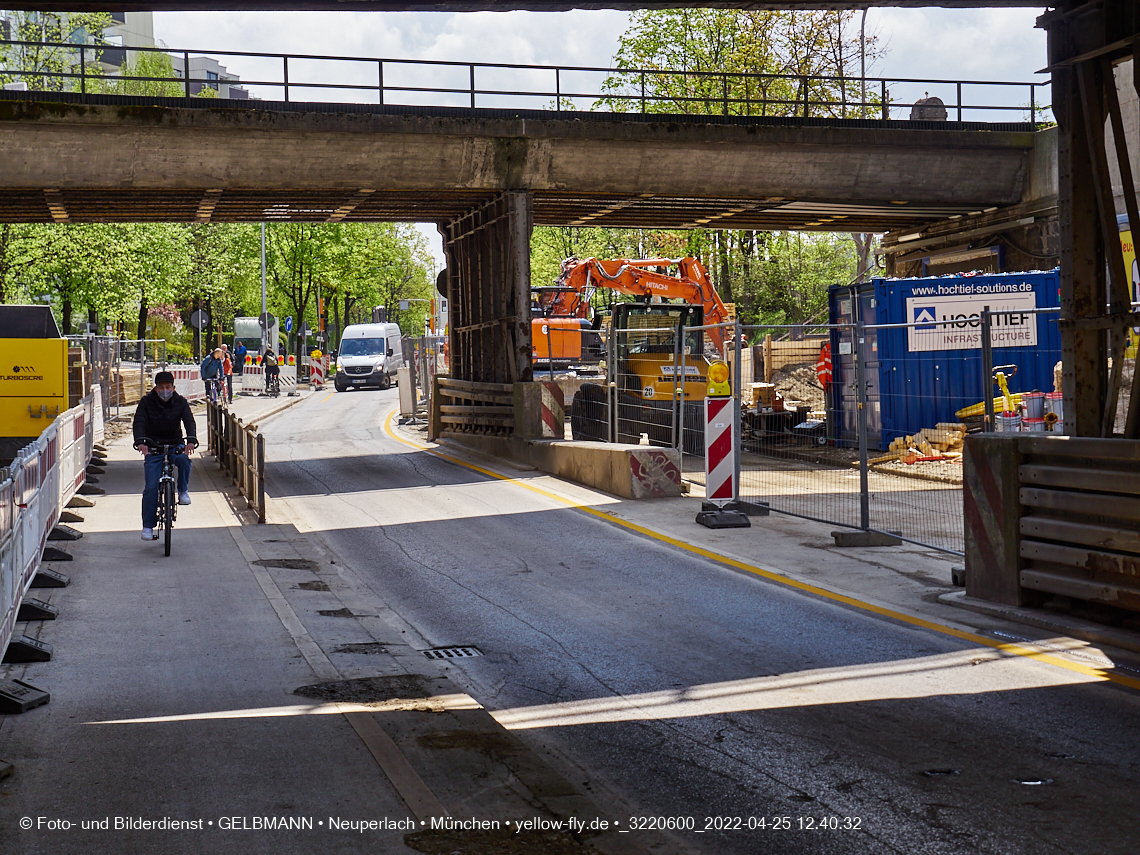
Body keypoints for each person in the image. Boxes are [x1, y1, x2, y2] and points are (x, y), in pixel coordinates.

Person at [132, 371, 198, 542]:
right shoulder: (146, 403)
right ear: (155, 389)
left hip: (175, 443)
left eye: (168, 387)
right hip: (153, 446)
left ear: (173, 388)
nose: (165, 390)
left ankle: (182, 490)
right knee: (151, 488)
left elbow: (189, 421)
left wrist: (191, 440)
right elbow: (139, 422)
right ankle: (148, 526)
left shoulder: (180, 402)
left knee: (184, 460)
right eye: (161, 387)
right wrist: (140, 441)